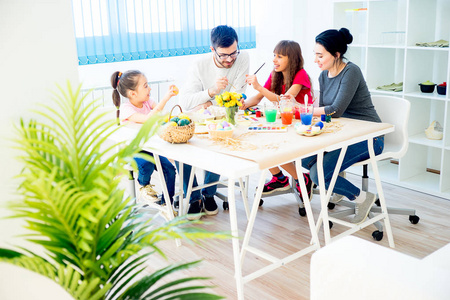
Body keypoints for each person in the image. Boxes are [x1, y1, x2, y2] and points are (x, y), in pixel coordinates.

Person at [300, 28, 384, 224]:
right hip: (343, 135)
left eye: (320, 55)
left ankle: (363, 198)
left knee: (318, 175)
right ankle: (336, 183)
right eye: (315, 54)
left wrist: (304, 110)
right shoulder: (323, 75)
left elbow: (335, 110)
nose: (315, 60)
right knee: (304, 159)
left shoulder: (351, 71)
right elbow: (324, 111)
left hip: (370, 137)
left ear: (336, 55)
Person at [178, 25, 250, 220]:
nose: (229, 59)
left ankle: (208, 194)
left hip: (223, 120)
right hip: (198, 120)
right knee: (181, 152)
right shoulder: (199, 65)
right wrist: (210, 92)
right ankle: (193, 197)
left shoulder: (242, 58)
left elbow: (237, 94)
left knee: (219, 144)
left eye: (233, 53)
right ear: (213, 50)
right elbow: (185, 101)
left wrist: (213, 102)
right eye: (223, 56)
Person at [241, 40, 314, 199]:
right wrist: (242, 104)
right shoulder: (275, 75)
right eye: (274, 55)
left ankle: (302, 178)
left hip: (301, 124)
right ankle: (280, 178)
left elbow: (285, 102)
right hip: (284, 123)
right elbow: (257, 99)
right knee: (260, 144)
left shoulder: (301, 75)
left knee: (272, 149)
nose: (274, 60)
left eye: (280, 56)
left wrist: (260, 87)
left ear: (292, 58)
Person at [111, 70, 177, 207]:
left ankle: (167, 204)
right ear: (132, 93)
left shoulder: (148, 103)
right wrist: (165, 98)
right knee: (146, 164)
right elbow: (147, 119)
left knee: (170, 169)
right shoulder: (126, 109)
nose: (150, 88)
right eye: (145, 86)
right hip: (134, 151)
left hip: (152, 148)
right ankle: (143, 185)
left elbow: (161, 114)